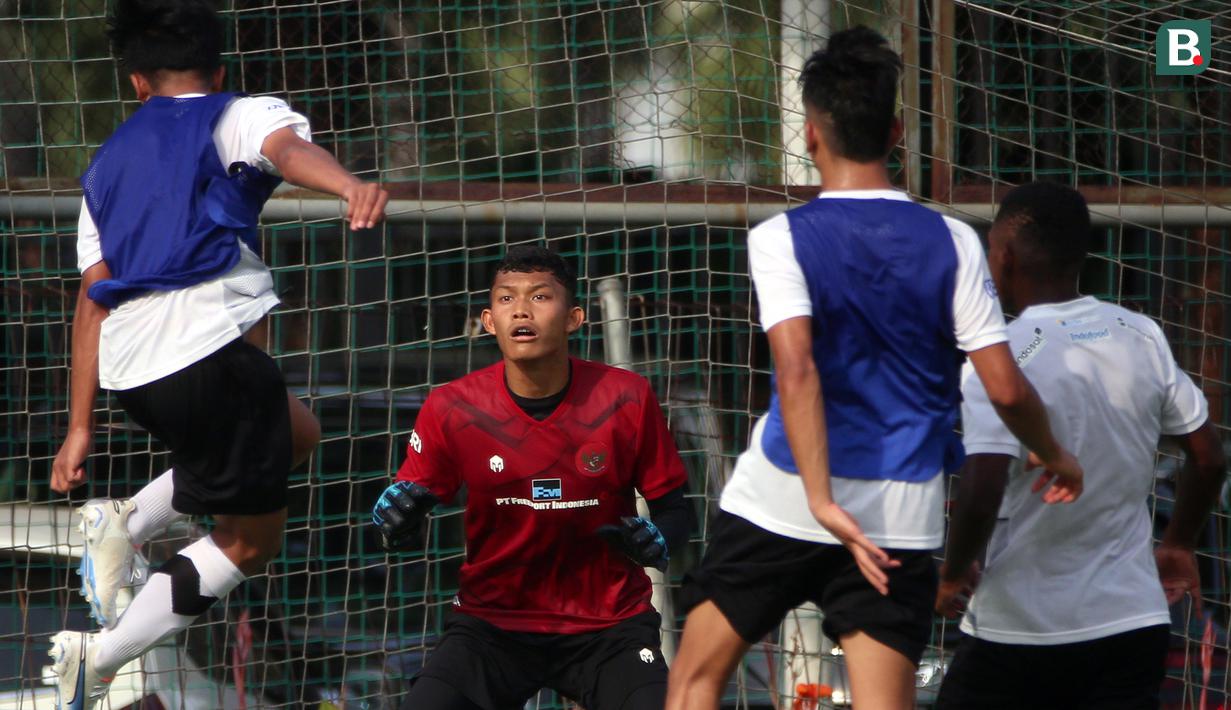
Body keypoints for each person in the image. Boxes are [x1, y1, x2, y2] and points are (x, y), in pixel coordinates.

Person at [665, 27, 1084, 710]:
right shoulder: (953, 239)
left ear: (809, 135)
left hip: (783, 496)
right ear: (895, 132)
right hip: (898, 516)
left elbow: (796, 372)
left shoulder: (778, 238)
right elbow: (1004, 387)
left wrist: (823, 500)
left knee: (693, 682)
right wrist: (1053, 454)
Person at [47, 0, 389, 707]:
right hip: (209, 357)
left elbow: (92, 298)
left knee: (297, 432)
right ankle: (100, 656)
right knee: (247, 544)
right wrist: (348, 183)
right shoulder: (233, 112)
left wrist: (79, 425)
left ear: (136, 82)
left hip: (133, 373)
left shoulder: (104, 167)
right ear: (220, 70)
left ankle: (124, 523)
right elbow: (288, 153)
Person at [933, 182, 1227, 709]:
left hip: (1019, 630)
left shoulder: (1001, 359)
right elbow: (1208, 457)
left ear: (1004, 255)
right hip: (1131, 623)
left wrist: (952, 575)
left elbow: (983, 485)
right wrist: (1179, 543)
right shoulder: (1140, 334)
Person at [372, 245, 692, 710]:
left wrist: (658, 538)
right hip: (491, 626)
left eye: (540, 297)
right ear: (487, 320)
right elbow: (408, 511)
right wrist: (395, 521)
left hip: (608, 626)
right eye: (506, 299)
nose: (521, 309)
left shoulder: (627, 397)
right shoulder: (452, 407)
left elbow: (677, 510)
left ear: (574, 318)